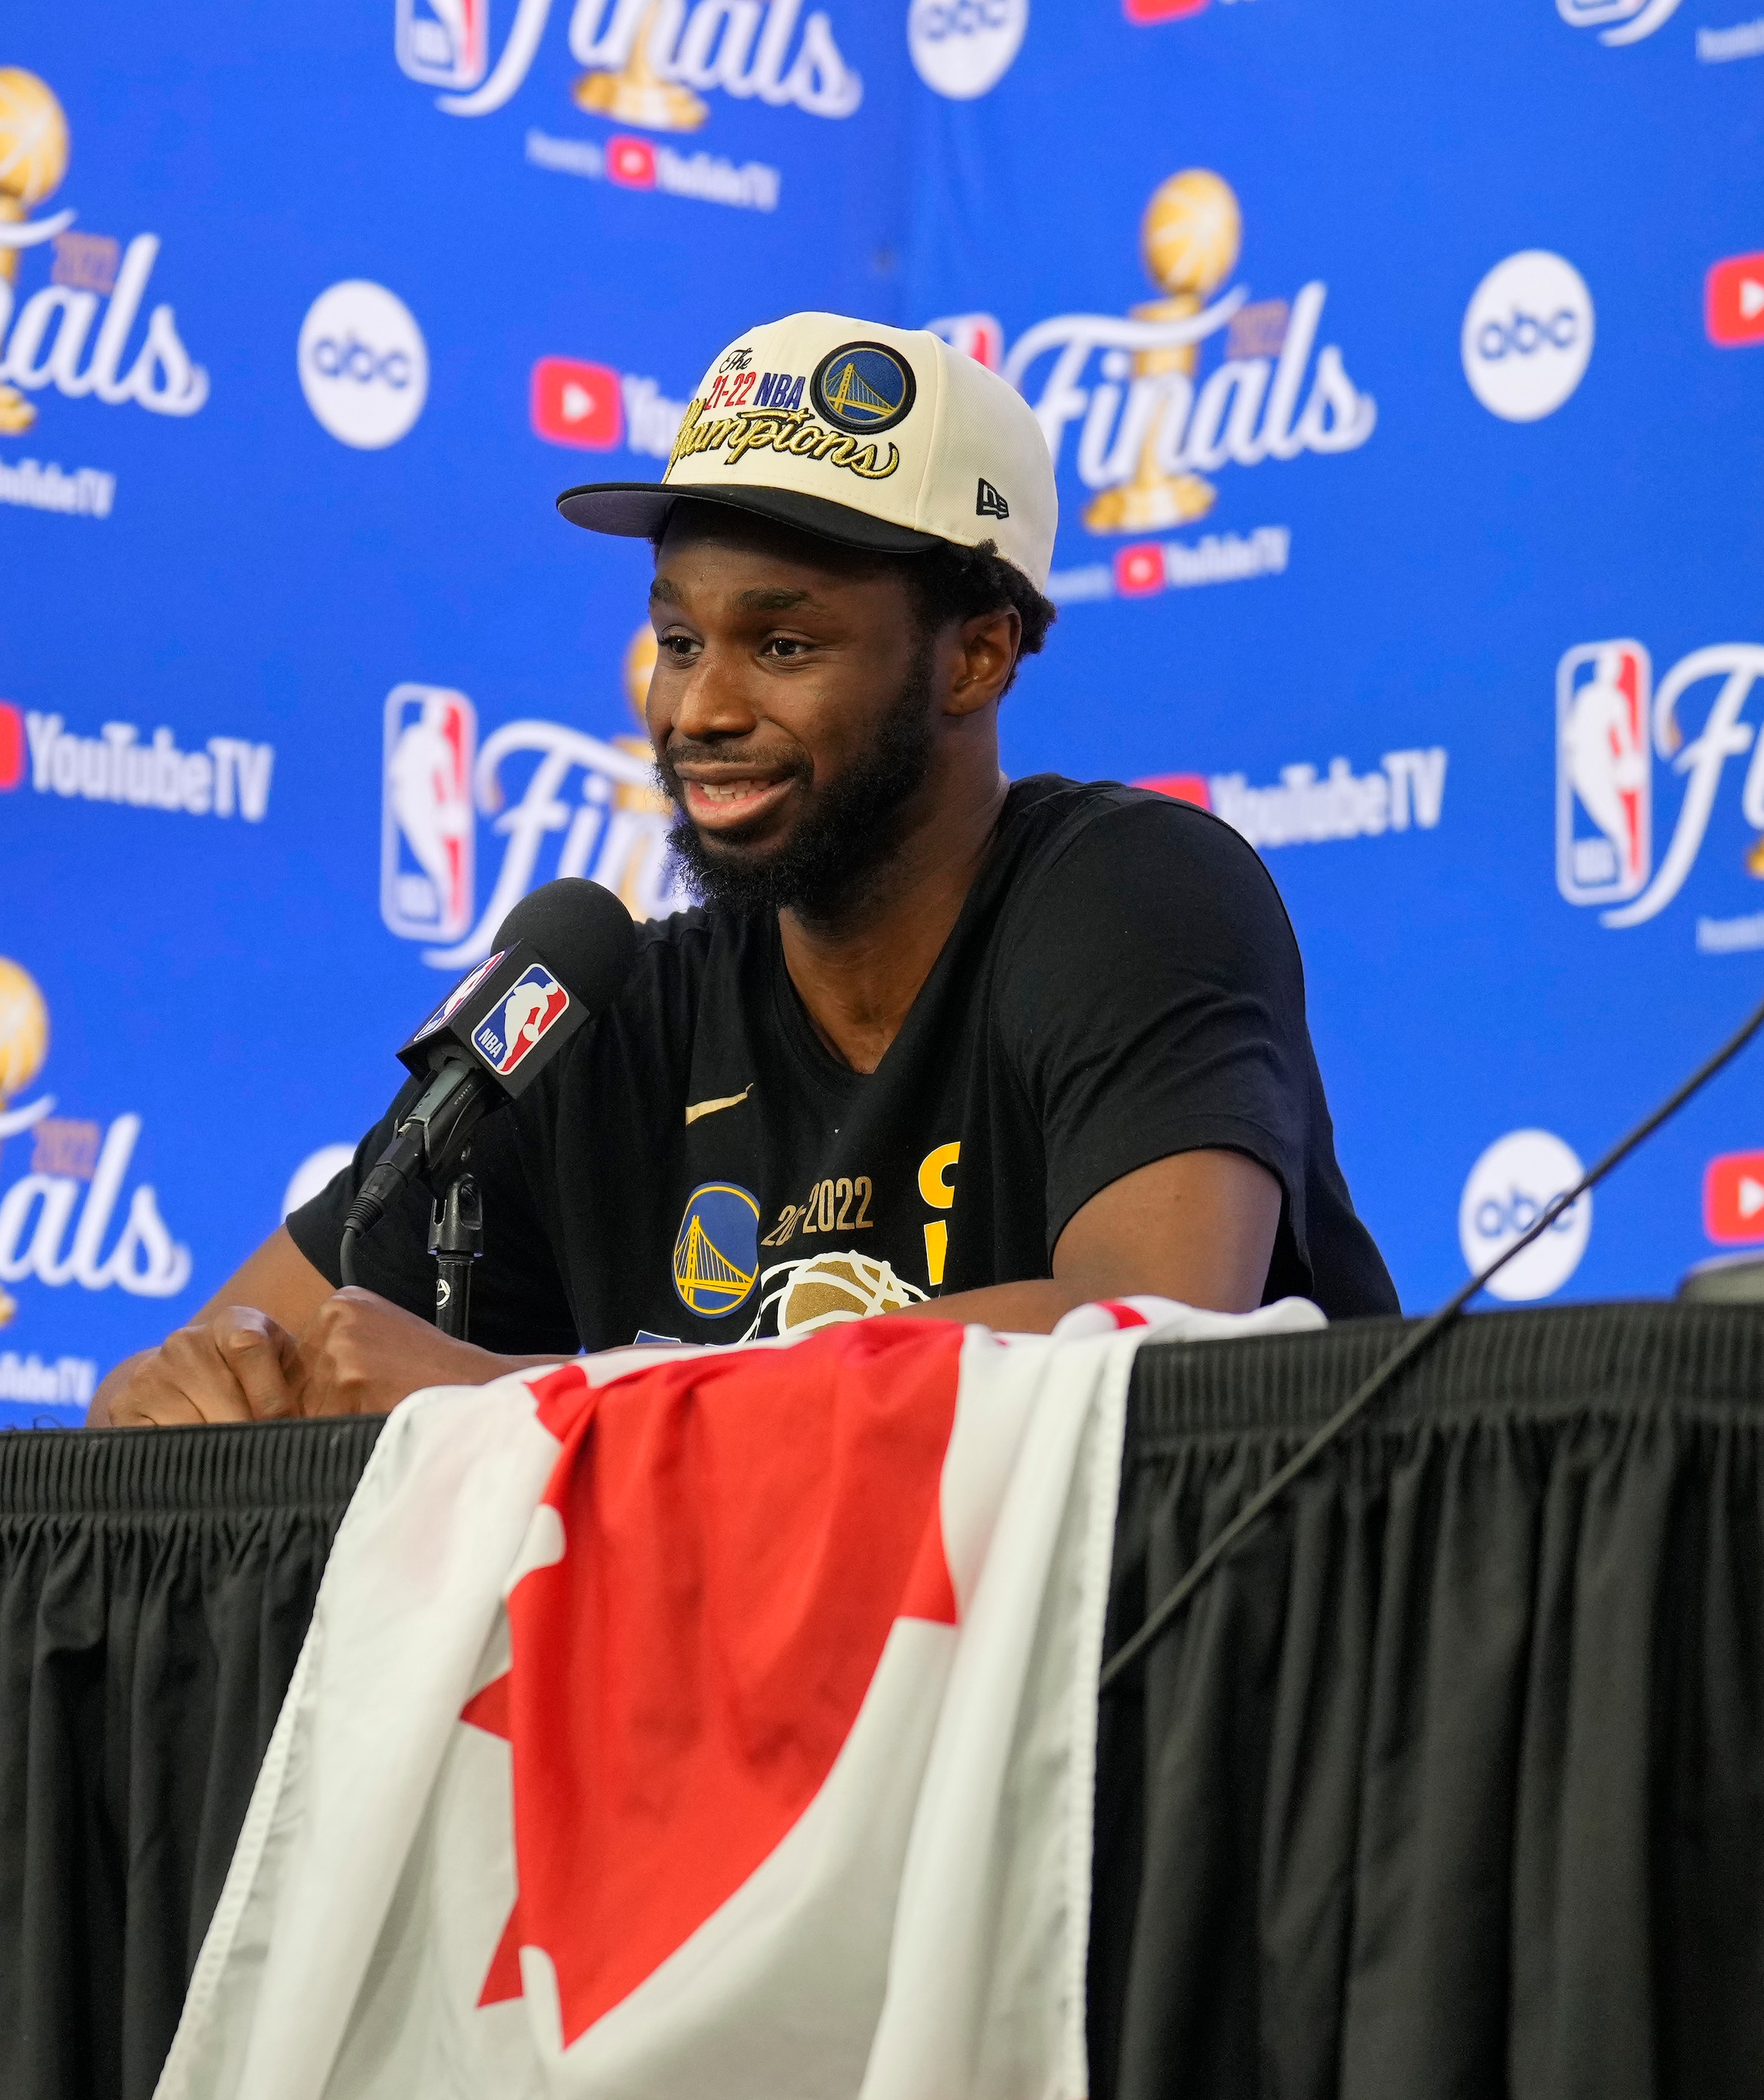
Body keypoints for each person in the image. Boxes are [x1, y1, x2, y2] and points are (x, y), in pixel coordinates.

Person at [92, 312, 1394, 1427]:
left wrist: (518, 1408)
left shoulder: (1131, 894)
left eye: (780, 645)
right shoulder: (605, 1015)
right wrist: (194, 1393)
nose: (697, 708)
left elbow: (1144, 1337)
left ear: (978, 656)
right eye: (676, 636)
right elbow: (166, 1393)